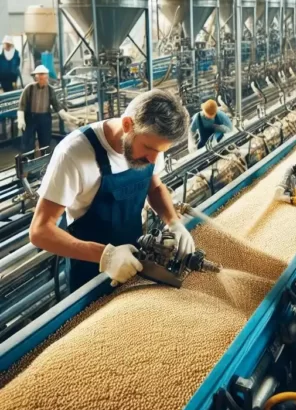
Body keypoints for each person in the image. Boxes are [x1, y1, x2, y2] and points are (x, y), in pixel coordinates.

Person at [29, 89, 195, 292]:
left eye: (159, 152)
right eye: (149, 149)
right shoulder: (74, 154)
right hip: (90, 271)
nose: (153, 160)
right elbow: (40, 231)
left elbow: (155, 186)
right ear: (127, 125)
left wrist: (173, 221)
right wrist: (106, 256)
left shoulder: (151, 144)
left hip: (135, 260)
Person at [18, 65, 81, 152]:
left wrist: (67, 116)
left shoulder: (50, 90)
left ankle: (45, 161)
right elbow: (22, 105)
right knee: (28, 143)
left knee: (45, 142)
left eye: (44, 76)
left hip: (44, 119)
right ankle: (28, 162)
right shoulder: (29, 88)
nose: (42, 78)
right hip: (30, 119)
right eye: (39, 76)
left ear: (47, 76)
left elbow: (56, 105)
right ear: (36, 77)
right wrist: (21, 119)